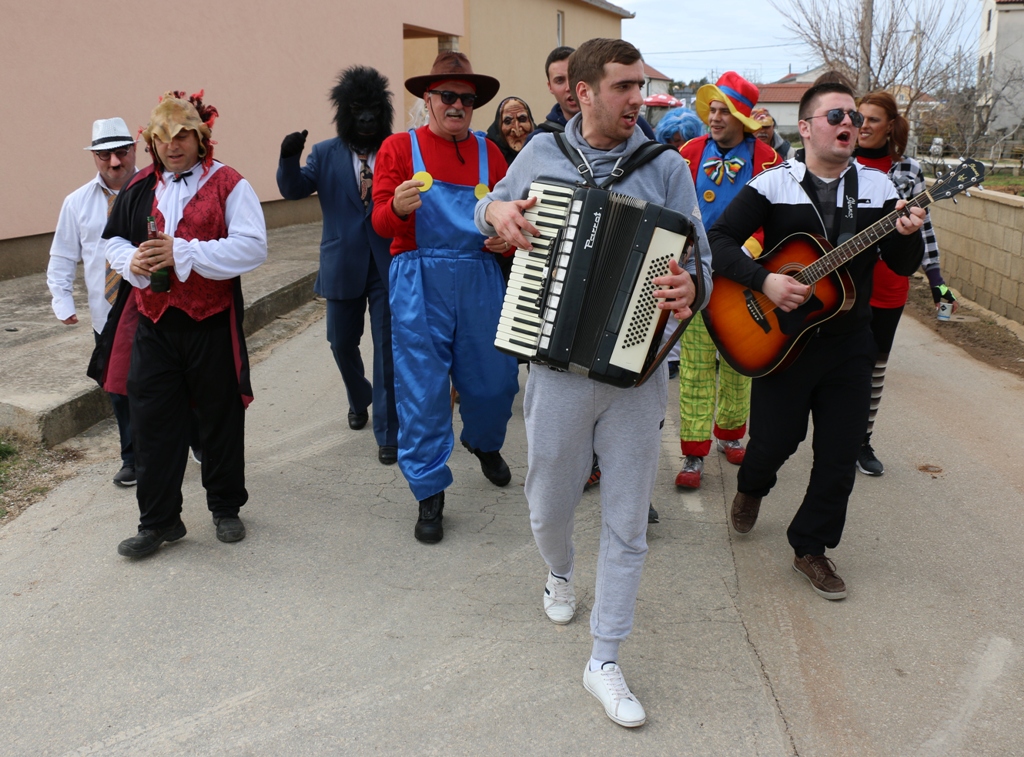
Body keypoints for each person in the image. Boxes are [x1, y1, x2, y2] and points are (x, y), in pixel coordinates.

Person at [476, 38, 712, 728]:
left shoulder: (664, 165)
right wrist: (496, 213)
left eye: (640, 85)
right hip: (554, 363)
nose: (639, 99)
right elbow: (489, 203)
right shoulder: (544, 155)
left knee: (628, 519)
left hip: (639, 371)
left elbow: (699, 253)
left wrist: (692, 284)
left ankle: (604, 657)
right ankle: (558, 570)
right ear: (581, 92)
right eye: (623, 87)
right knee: (547, 502)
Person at [708, 81, 925, 600]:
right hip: (782, 343)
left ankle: (811, 547)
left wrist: (909, 231)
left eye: (854, 116)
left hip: (850, 342)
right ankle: (752, 488)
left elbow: (900, 265)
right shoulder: (772, 185)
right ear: (805, 128)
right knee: (774, 444)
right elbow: (716, 242)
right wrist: (765, 282)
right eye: (835, 116)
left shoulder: (878, 189)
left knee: (838, 454)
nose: (850, 123)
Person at [99, 90, 268, 558]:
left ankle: (225, 506)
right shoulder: (139, 187)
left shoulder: (230, 184)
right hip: (154, 325)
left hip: (209, 321)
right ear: (151, 143)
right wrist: (131, 259)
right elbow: (110, 239)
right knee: (152, 423)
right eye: (161, 138)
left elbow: (253, 247)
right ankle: (158, 521)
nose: (172, 146)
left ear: (200, 137)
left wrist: (186, 252)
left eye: (182, 135)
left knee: (218, 418)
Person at [371, 52, 519, 545]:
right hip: (418, 276)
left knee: (496, 381)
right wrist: (394, 206)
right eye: (447, 96)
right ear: (427, 99)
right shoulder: (397, 148)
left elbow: (506, 221)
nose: (457, 105)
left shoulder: (491, 154)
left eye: (466, 98)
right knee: (423, 391)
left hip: (479, 277)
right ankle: (429, 490)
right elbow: (378, 222)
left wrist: (501, 242)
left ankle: (482, 441)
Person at [277, 66, 399, 465]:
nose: (366, 118)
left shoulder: (397, 150)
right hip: (342, 263)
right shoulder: (325, 153)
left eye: (373, 110)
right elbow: (294, 190)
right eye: (358, 110)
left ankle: (387, 431)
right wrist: (288, 157)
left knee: (386, 349)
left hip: (385, 263)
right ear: (345, 112)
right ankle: (358, 396)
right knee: (340, 342)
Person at [675, 73, 782, 489]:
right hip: (697, 275)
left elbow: (773, 221)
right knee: (697, 364)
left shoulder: (769, 159)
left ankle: (732, 432)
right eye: (712, 110)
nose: (714, 118)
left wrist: (745, 258)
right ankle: (693, 450)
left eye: (724, 111)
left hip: (745, 277)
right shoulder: (688, 152)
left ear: (741, 118)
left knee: (740, 362)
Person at [854, 90, 957, 476]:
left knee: (876, 365)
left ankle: (862, 441)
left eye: (873, 119)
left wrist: (937, 282)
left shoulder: (908, 171)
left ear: (890, 126)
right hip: (843, 284)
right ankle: (833, 433)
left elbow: (923, 229)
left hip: (890, 284)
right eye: (858, 117)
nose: (863, 125)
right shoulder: (839, 164)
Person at [47, 118, 138, 487]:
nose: (114, 162)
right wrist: (62, 299)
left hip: (155, 309)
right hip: (107, 314)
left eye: (121, 152)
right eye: (105, 155)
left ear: (134, 151)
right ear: (94, 157)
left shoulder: (157, 190)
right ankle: (132, 457)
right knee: (118, 388)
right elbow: (63, 255)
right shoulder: (77, 202)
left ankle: (196, 441)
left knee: (177, 382)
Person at [528, 45, 656, 141]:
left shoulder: (635, 125)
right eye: (559, 80)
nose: (569, 87)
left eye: (573, 77)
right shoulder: (539, 141)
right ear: (550, 87)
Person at [485, 96, 535, 166]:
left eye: (522, 119)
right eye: (508, 121)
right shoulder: (487, 154)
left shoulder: (543, 148)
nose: (517, 132)